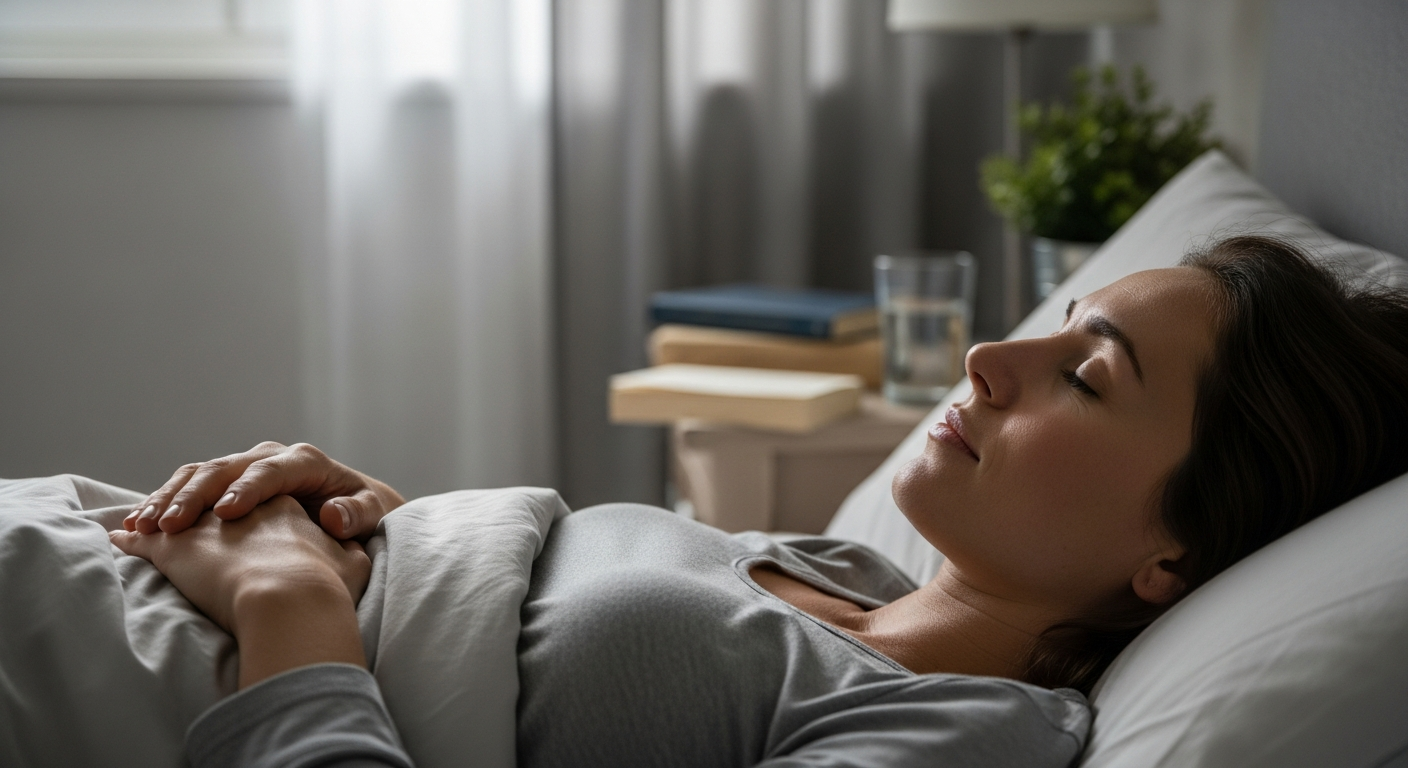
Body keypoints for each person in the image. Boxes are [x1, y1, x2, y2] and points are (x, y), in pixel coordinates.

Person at [110, 235, 1408, 768]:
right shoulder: (842, 571)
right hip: (103, 549)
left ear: (1173, 557)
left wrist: (288, 609)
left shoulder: (960, 735)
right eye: (1055, 326)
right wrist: (370, 524)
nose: (989, 359)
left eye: (1084, 373)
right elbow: (519, 650)